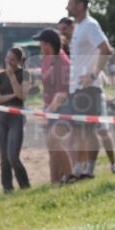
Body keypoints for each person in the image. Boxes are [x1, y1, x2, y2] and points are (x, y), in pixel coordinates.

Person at [64, 0, 114, 179]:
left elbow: (106, 49)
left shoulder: (91, 25)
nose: (66, 6)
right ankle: (79, 168)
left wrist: (92, 75)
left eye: (70, 2)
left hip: (89, 88)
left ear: (80, 6)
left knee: (90, 130)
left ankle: (88, 170)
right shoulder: (79, 27)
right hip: (76, 87)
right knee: (78, 129)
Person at [35, 29, 73, 184]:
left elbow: (62, 94)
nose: (39, 45)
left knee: (53, 141)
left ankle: (70, 177)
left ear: (48, 44)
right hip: (51, 107)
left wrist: (47, 113)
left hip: (64, 107)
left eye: (42, 42)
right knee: (52, 148)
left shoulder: (62, 62)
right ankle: (55, 182)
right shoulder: (46, 59)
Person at [0, 47, 31, 192]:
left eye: (13, 59)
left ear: (19, 61)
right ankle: (7, 189)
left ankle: (25, 186)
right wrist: (10, 96)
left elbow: (22, 96)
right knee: (4, 158)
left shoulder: (24, 74)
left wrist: (12, 77)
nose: (9, 61)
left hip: (17, 117)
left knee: (13, 156)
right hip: (1, 117)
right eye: (7, 58)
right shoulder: (0, 76)